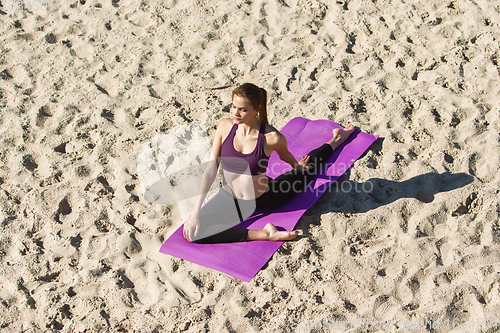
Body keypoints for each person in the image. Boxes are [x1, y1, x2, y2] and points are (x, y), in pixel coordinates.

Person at [183, 83, 355, 243]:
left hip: (266, 195)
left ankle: (338, 137)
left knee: (308, 168)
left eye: (243, 110)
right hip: (231, 198)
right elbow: (210, 170)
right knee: (194, 234)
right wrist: (195, 214)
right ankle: (265, 233)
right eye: (234, 106)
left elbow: (285, 156)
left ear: (256, 109)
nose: (235, 113)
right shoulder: (224, 127)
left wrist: (298, 168)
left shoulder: (271, 138)